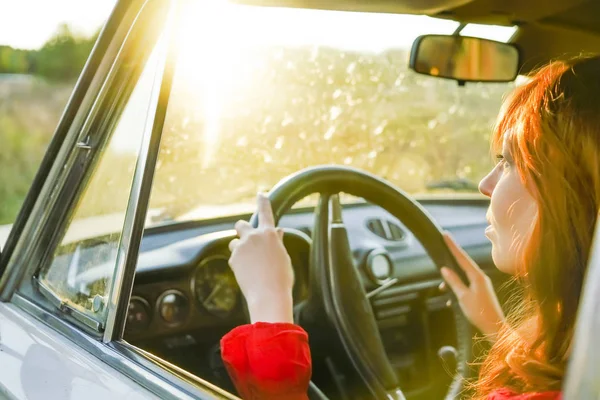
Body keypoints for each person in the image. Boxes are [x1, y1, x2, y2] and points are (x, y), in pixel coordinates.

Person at [221, 55, 600, 399]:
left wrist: (269, 301)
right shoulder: (581, 357)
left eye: (509, 163)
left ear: (572, 191)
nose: (485, 184)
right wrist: (495, 325)